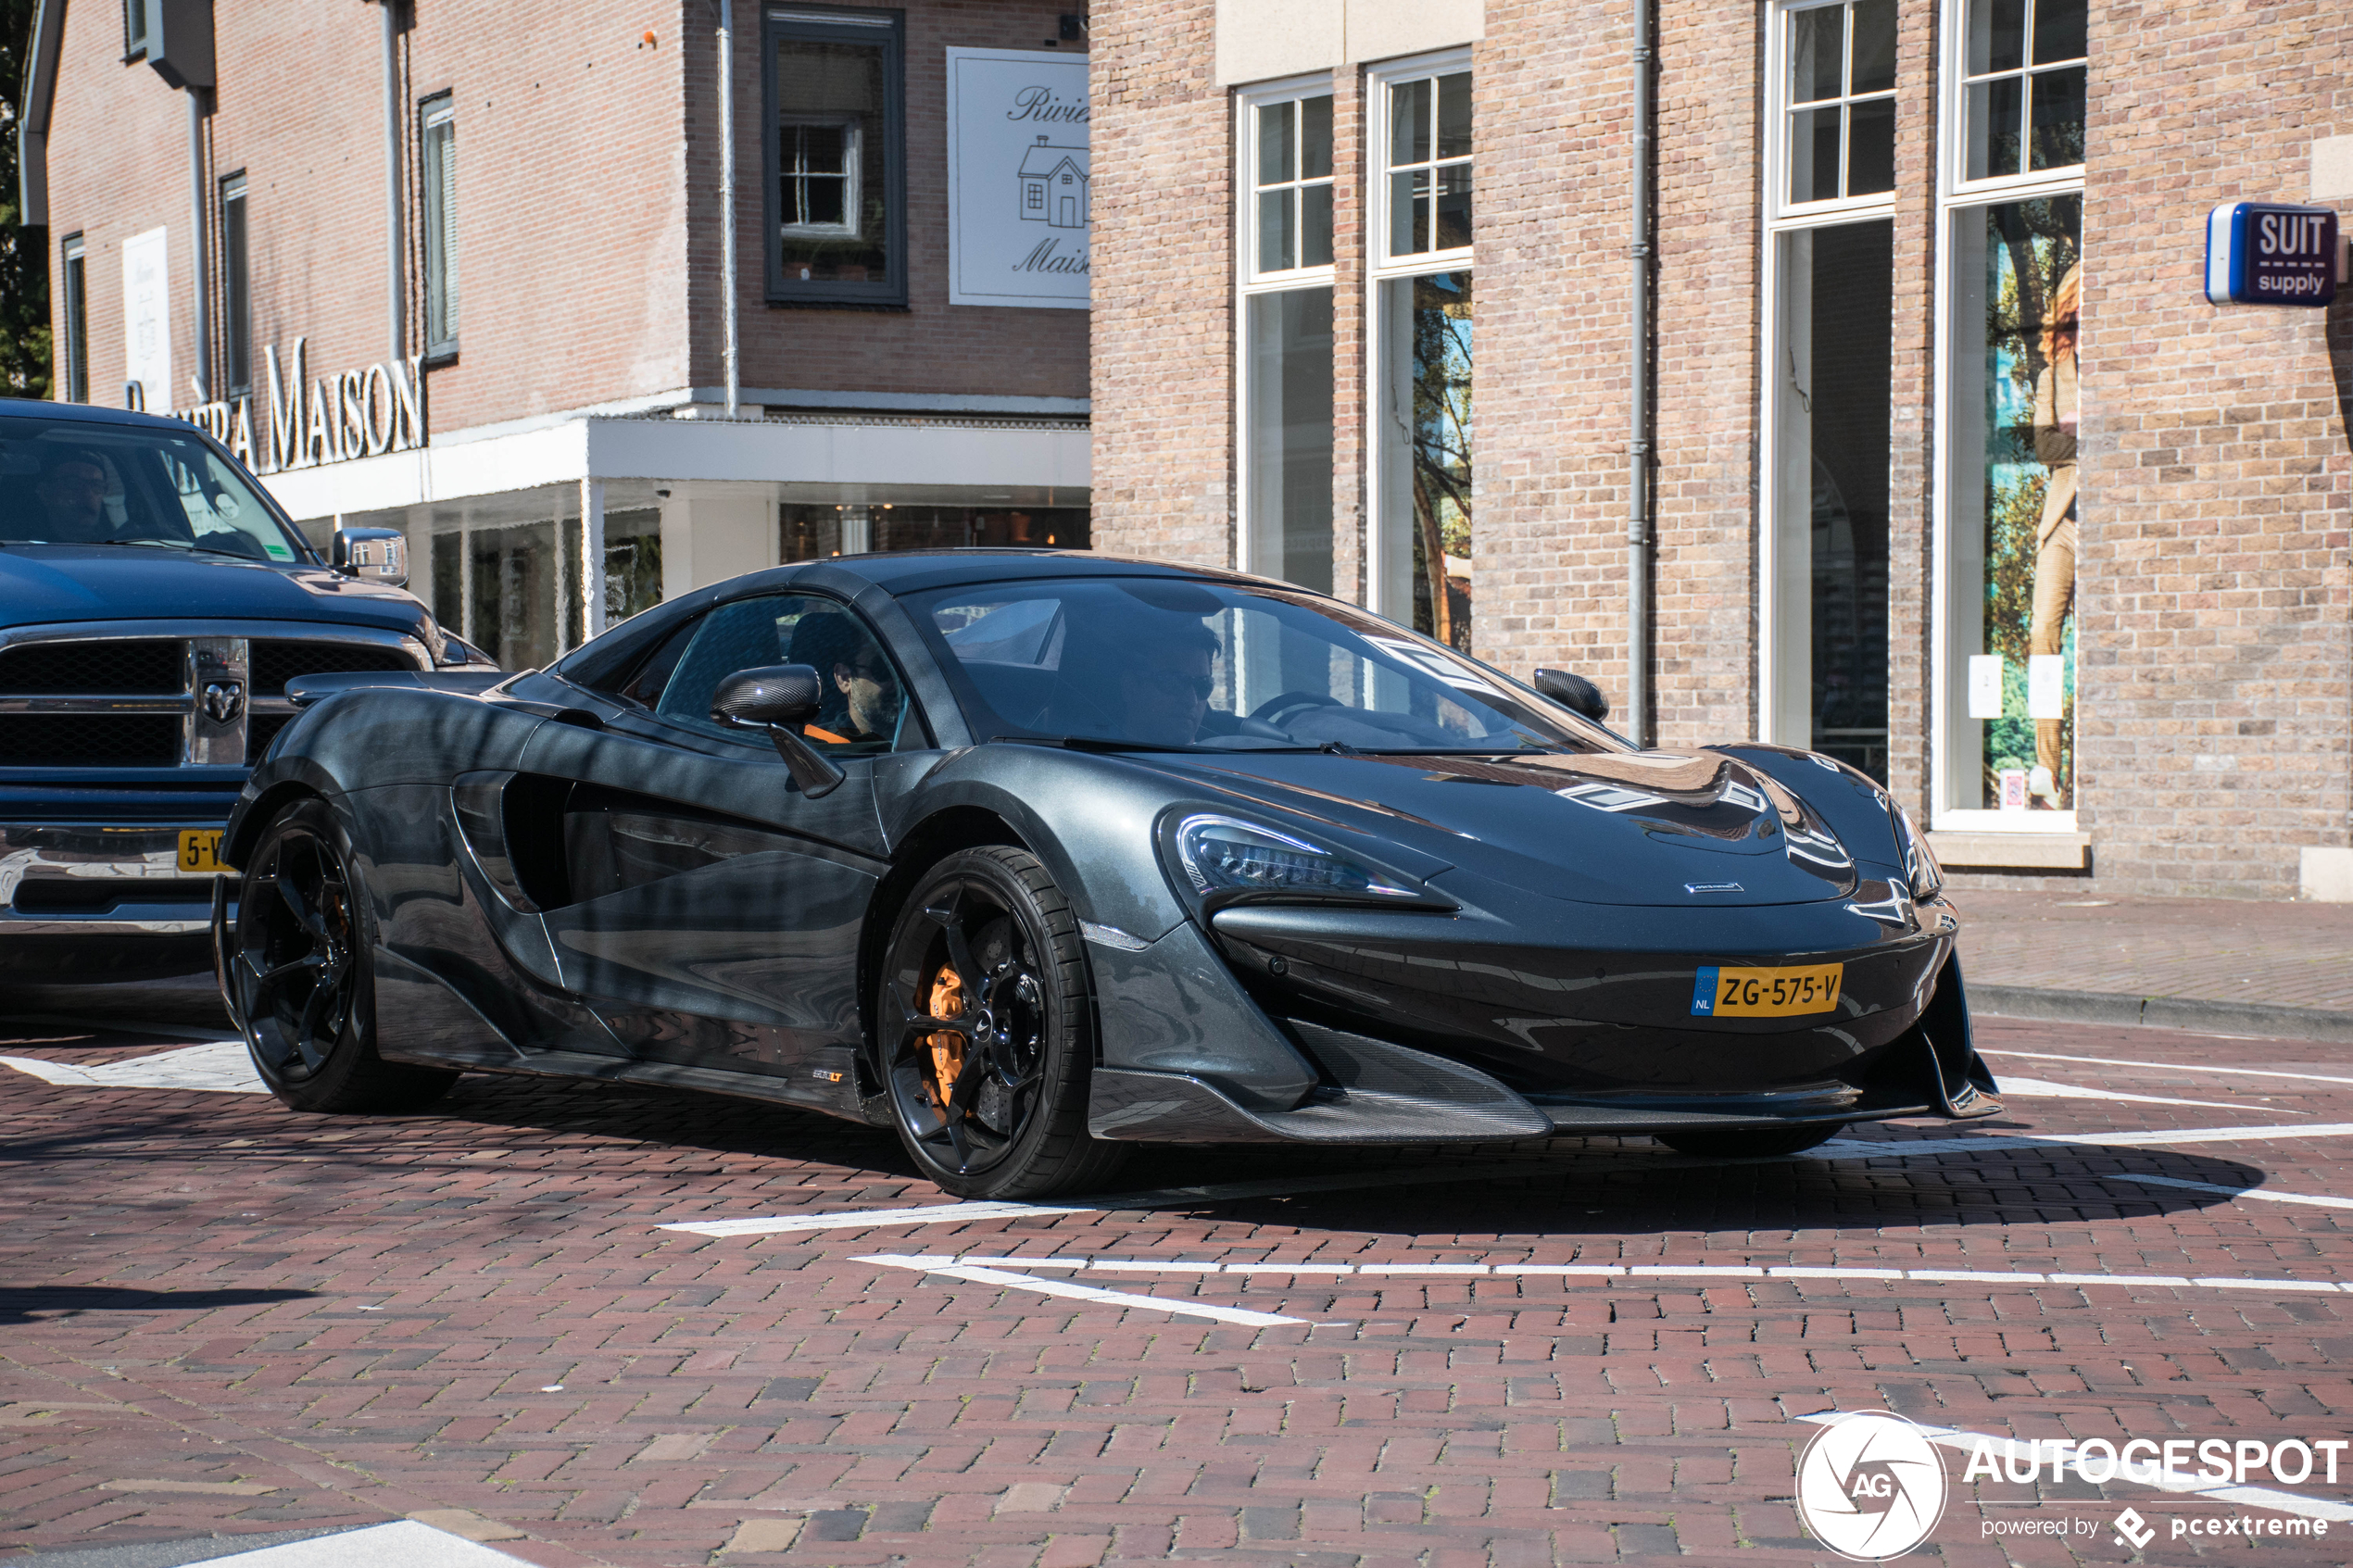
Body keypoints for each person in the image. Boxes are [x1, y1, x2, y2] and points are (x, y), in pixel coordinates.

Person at [2027, 263, 2079, 809]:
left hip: (2108, 516)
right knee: (2043, 635)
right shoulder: (2052, 377)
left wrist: (2077, 434)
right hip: (2062, 521)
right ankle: (2049, 773)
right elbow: (2046, 448)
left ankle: (2091, 773)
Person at [786, 612, 901, 746]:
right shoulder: (816, 749)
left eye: (903, 670)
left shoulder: (928, 730)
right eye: (882, 670)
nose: (898, 683)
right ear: (844, 679)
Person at [29, 449, 116, 544]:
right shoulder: (23, 546)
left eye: (96, 485)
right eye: (74, 483)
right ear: (45, 493)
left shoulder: (122, 542)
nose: (88, 494)